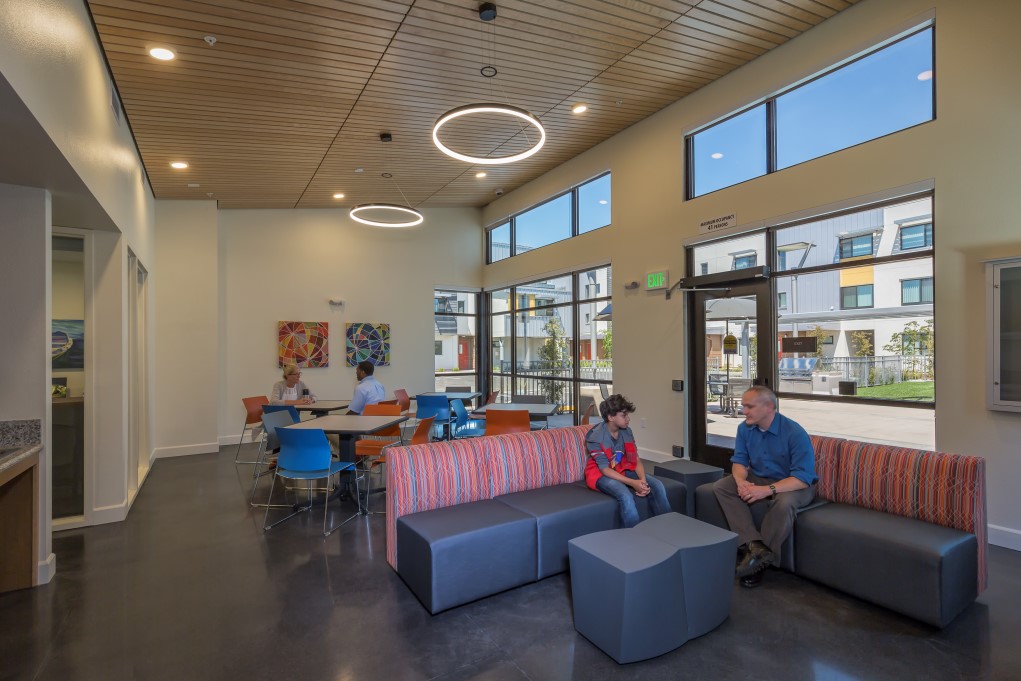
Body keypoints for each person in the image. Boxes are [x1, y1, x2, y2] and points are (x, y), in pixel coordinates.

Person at [713, 385, 817, 588]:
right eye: (744, 406)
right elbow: (740, 462)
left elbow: (803, 477)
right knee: (722, 486)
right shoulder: (744, 428)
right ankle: (754, 546)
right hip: (761, 477)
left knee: (784, 503)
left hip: (795, 484)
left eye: (749, 406)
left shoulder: (794, 433)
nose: (744, 411)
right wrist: (741, 481)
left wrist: (765, 490)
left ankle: (759, 563)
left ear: (769, 406)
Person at [584, 394, 671, 528]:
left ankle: (666, 527)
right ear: (611, 417)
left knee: (657, 485)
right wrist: (632, 483)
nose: (628, 419)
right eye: (624, 415)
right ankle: (633, 536)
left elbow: (635, 458)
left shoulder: (626, 431)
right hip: (600, 474)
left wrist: (642, 480)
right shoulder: (595, 437)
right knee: (625, 495)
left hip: (621, 468)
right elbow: (604, 469)